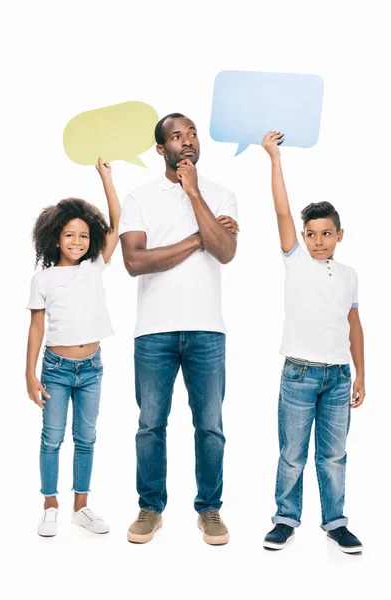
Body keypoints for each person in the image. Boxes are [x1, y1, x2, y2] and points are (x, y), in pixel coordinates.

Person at [119, 113, 239, 545]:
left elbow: (225, 251)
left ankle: (210, 510)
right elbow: (134, 262)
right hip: (154, 331)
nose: (186, 141)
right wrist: (196, 238)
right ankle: (150, 507)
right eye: (176, 135)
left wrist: (193, 193)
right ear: (160, 149)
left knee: (210, 425)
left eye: (191, 134)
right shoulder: (139, 197)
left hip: (207, 329)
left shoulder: (221, 195)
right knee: (150, 425)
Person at [261, 131, 365, 553]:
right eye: (310, 234)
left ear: (340, 234)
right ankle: (285, 519)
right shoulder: (297, 263)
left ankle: (335, 522)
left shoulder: (349, 276)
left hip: (339, 376)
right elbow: (282, 210)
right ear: (302, 237)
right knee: (292, 454)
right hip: (299, 374)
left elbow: (354, 326)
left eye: (326, 234)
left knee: (334, 456)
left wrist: (361, 374)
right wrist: (274, 158)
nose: (317, 241)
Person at [26, 159, 121, 537]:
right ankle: (50, 504)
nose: (77, 242)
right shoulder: (43, 279)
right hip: (56, 369)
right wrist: (29, 375)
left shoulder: (95, 266)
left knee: (87, 438)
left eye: (83, 236)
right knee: (52, 437)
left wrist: (106, 177)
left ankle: (81, 506)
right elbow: (36, 328)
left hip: (92, 368)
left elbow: (116, 224)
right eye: (69, 235)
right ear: (55, 239)